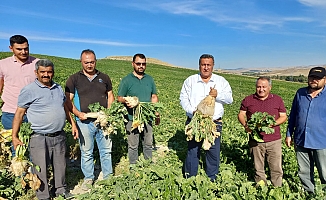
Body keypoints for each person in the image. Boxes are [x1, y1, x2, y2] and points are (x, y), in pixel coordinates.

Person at [11, 59, 78, 200]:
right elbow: (19, 113)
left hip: (59, 135)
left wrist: (72, 123)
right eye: (43, 72)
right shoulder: (29, 90)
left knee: (60, 165)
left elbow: (65, 107)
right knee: (40, 167)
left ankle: (60, 191)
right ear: (36, 73)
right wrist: (14, 136)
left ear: (53, 73)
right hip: (39, 136)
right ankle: (43, 196)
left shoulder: (58, 88)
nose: (46, 75)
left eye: (49, 72)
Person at [65, 49, 115, 190]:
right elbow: (68, 101)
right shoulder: (74, 79)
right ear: (81, 62)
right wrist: (77, 113)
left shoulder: (104, 77)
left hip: (103, 120)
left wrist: (109, 112)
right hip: (84, 122)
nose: (89, 65)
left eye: (92, 62)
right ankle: (88, 178)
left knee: (106, 150)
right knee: (87, 151)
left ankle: (108, 176)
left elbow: (110, 95)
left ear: (95, 61)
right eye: (86, 62)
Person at [179, 54, 233, 181]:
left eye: (208, 65)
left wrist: (217, 95)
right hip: (195, 121)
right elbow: (183, 98)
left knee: (213, 151)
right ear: (199, 65)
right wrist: (191, 111)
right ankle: (190, 177)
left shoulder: (221, 81)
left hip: (214, 123)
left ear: (213, 66)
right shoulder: (190, 80)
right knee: (193, 150)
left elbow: (230, 99)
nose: (206, 67)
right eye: (203, 64)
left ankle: (211, 178)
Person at [238, 76, 287, 187]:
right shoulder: (248, 99)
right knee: (258, 166)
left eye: (264, 87)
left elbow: (283, 116)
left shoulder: (277, 99)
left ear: (270, 87)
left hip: (274, 140)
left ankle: (277, 188)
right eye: (258, 87)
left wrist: (273, 124)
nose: (261, 89)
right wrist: (246, 125)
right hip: (255, 140)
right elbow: (241, 114)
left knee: (276, 167)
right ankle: (261, 188)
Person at [286, 67, 326, 194]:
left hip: (322, 141)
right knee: (304, 170)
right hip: (301, 138)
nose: (314, 80)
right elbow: (293, 115)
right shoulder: (300, 93)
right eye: (311, 77)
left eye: (318, 78)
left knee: (324, 171)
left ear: (325, 80)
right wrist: (289, 134)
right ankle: (309, 193)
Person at [117, 53, 159, 165]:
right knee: (133, 145)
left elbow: (154, 96)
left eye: (143, 64)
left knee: (148, 143)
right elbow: (119, 98)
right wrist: (128, 101)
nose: (141, 66)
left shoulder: (149, 79)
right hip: (132, 118)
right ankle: (133, 167)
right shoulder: (126, 80)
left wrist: (156, 112)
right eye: (138, 63)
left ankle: (148, 165)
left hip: (147, 117)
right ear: (133, 64)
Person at [0, 35, 39, 129]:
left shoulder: (38, 63)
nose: (23, 52)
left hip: (33, 112)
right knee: (13, 142)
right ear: (11, 48)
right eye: (19, 49)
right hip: (11, 112)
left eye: (26, 49)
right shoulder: (3, 64)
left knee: (35, 143)